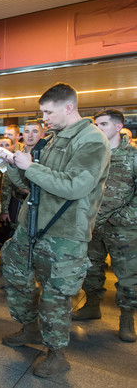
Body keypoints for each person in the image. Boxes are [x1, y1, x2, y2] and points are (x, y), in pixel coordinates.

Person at [0, 83, 110, 378]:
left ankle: (56, 353)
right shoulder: (54, 139)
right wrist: (14, 163)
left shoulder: (92, 141)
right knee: (16, 276)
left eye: (48, 111)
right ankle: (30, 326)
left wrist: (31, 167)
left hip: (64, 235)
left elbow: (76, 186)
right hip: (33, 226)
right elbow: (33, 184)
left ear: (68, 107)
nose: (44, 117)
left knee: (55, 297)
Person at [72, 109, 136, 343]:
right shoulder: (90, 154)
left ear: (119, 127)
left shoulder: (133, 155)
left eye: (104, 124)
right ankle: (91, 305)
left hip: (123, 228)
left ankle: (127, 318)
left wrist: (121, 217)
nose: (99, 128)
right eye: (96, 124)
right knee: (92, 268)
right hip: (91, 223)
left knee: (128, 274)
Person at [0, 121, 46, 290]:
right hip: (17, 204)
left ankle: (32, 279)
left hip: (41, 207)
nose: (30, 135)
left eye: (35, 131)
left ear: (42, 134)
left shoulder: (47, 155)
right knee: (9, 242)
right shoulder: (17, 154)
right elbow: (7, 185)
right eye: (27, 131)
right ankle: (3, 276)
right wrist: (4, 210)